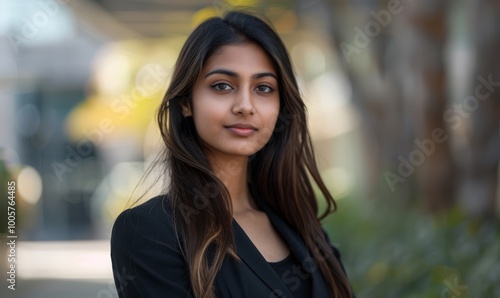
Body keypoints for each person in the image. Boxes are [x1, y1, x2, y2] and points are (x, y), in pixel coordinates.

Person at [111, 10, 354, 298]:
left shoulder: (300, 222)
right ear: (186, 102)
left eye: (263, 88)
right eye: (222, 86)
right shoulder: (148, 231)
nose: (245, 105)